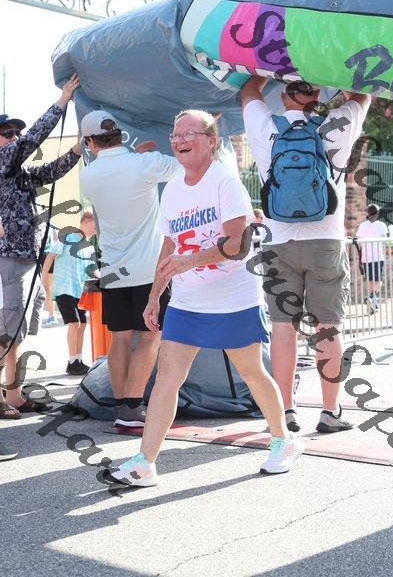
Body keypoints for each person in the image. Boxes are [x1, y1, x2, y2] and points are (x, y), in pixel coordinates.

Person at [110, 108, 304, 487]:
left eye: (189, 133)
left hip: (234, 299)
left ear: (211, 141)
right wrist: (154, 296)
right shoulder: (173, 190)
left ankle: (283, 441)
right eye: (175, 135)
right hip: (187, 302)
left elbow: (238, 243)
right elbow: (168, 249)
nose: (179, 140)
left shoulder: (224, 181)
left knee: (251, 372)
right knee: (167, 379)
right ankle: (145, 463)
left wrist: (192, 260)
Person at [241, 77, 371, 433]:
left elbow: (248, 92)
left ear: (283, 96)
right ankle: (330, 412)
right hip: (325, 241)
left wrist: (266, 68)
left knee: (283, 326)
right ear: (316, 94)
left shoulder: (266, 129)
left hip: (278, 241)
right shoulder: (334, 127)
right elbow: (363, 93)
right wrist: (335, 78)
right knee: (328, 326)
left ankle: (285, 411)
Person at [79, 110, 183, 428]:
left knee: (120, 339)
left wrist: (136, 157)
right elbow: (183, 166)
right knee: (150, 337)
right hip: (148, 269)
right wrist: (142, 156)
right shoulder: (144, 164)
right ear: (119, 135)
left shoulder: (88, 175)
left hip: (113, 270)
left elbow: (116, 175)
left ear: (90, 142)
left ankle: (121, 406)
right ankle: (132, 408)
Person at [0, 74, 81, 420]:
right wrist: (61, 102)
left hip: (25, 258)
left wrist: (77, 150)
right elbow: (32, 140)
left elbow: (50, 171)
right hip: (9, 259)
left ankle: (14, 395)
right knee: (6, 331)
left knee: (15, 333)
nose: (14, 137)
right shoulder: (3, 163)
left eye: (15, 133)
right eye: (7, 133)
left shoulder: (16, 172)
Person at [41, 211, 95, 375]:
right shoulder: (68, 237)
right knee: (74, 323)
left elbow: (92, 269)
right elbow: (50, 256)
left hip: (80, 291)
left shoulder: (89, 246)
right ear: (85, 221)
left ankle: (78, 360)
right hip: (64, 288)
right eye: (94, 227)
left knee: (82, 325)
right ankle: (72, 361)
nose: (95, 231)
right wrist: (43, 279)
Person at [356, 204, 388, 314]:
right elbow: (385, 241)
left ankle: (373, 304)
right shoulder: (381, 225)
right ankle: (372, 297)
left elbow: (359, 242)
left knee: (370, 280)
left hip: (366, 257)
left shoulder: (362, 225)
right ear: (377, 213)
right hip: (378, 257)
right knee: (378, 280)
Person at [42, 225, 58, 326]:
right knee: (48, 288)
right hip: (50, 254)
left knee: (45, 287)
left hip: (42, 255)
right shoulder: (51, 224)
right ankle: (52, 315)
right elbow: (57, 240)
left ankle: (51, 315)